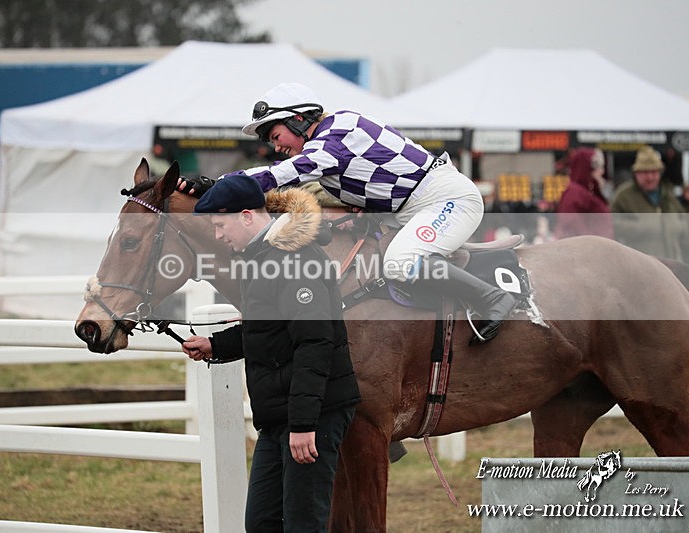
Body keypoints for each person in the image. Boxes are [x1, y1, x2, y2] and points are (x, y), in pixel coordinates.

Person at [187, 82, 516, 344]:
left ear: (298, 120)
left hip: (448, 199)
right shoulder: (325, 143)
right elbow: (288, 178)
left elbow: (287, 173)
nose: (276, 146)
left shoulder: (338, 131)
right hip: (408, 211)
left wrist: (222, 184)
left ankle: (492, 299)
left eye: (276, 136)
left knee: (400, 263)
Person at [181, 172, 361, 533]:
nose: (218, 235)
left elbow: (314, 342)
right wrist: (216, 345)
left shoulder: (292, 259)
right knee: (262, 522)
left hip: (312, 415)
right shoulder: (262, 257)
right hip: (280, 415)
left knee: (302, 523)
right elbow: (268, 329)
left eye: (220, 225)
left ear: (247, 216)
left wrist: (304, 424)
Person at [609, 146, 687, 261]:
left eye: (654, 172)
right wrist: (642, 226)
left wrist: (676, 226)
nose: (650, 177)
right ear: (635, 174)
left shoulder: (668, 193)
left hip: (672, 264)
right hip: (639, 265)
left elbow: (683, 219)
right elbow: (611, 224)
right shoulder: (623, 196)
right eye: (645, 172)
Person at [553, 147, 614, 240]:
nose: (601, 172)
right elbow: (571, 226)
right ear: (585, 168)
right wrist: (591, 246)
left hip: (598, 247)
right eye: (596, 167)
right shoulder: (575, 193)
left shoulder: (588, 193)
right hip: (588, 250)